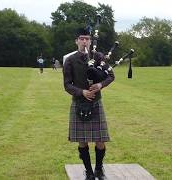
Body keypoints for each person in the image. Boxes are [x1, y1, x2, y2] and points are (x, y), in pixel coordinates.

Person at [63, 28, 115, 180]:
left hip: (96, 103)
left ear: (91, 41)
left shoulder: (98, 57)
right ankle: (89, 172)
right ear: (77, 41)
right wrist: (82, 92)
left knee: (100, 140)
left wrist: (100, 85)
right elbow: (67, 85)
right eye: (81, 38)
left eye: (87, 39)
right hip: (79, 103)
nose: (84, 41)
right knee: (82, 141)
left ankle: (99, 169)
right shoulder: (70, 60)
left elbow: (111, 76)